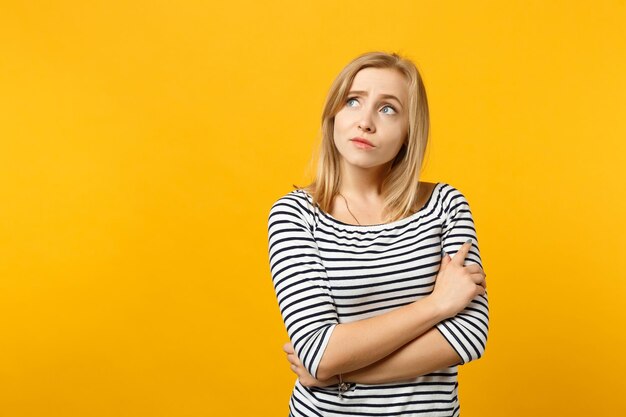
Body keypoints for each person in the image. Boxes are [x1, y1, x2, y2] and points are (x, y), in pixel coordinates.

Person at [267, 51, 489, 417]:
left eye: (388, 109)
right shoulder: (295, 214)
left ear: (408, 133)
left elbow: (467, 336)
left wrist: (339, 374)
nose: (365, 121)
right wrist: (436, 305)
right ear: (333, 115)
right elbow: (319, 351)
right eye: (353, 101)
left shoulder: (444, 205)